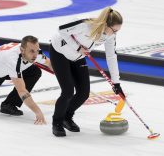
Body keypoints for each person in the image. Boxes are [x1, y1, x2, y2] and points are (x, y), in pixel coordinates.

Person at [50, 7, 125, 136]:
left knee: (83, 93)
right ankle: (57, 122)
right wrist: (78, 47)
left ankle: (67, 117)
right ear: (106, 24)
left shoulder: (109, 36)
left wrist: (116, 82)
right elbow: (61, 29)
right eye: (114, 30)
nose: (115, 34)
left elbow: (111, 56)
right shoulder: (86, 24)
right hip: (60, 53)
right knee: (68, 91)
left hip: (78, 57)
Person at [0, 35, 52, 125]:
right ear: (22, 50)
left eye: (37, 50)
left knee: (35, 71)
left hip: (4, 69)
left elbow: (50, 63)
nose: (35, 55)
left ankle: (9, 104)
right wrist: (38, 112)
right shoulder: (13, 60)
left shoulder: (34, 52)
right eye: (32, 51)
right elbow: (22, 91)